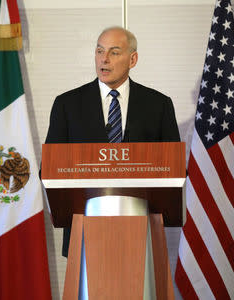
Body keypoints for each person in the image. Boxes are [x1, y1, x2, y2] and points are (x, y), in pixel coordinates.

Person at [44, 26, 180, 257]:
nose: (103, 59)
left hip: (142, 233)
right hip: (85, 230)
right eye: (99, 51)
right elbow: (48, 170)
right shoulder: (67, 104)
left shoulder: (158, 105)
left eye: (114, 52)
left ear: (133, 59)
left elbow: (175, 171)